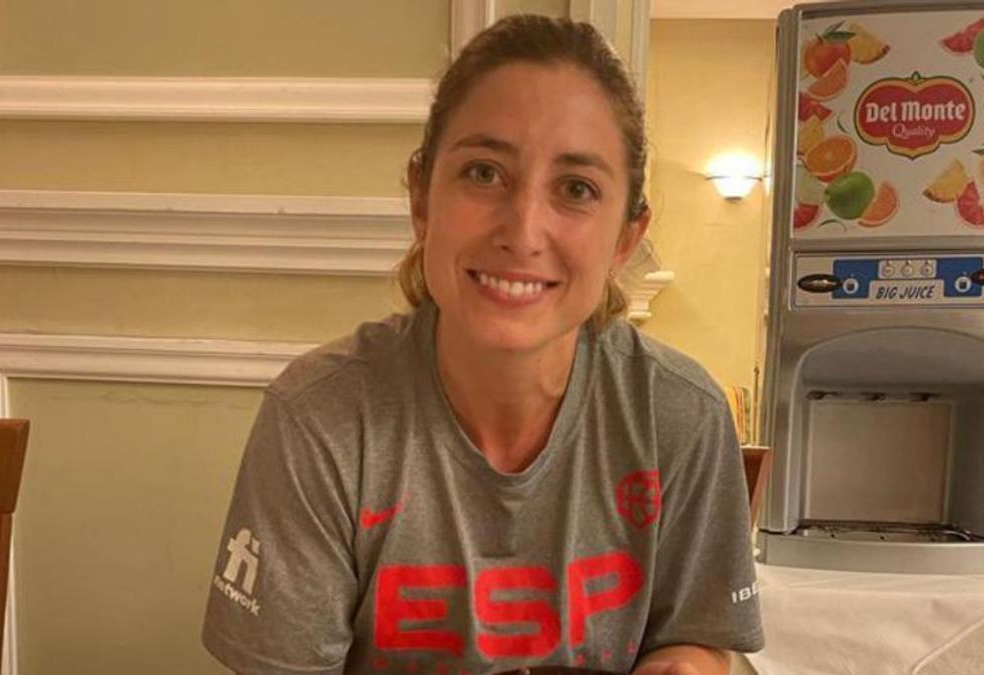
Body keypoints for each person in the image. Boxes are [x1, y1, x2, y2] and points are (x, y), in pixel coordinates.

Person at [202, 14, 762, 675]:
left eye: (576, 188)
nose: (523, 231)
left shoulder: (683, 414)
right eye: (484, 173)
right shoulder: (320, 417)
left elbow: (700, 638)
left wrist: (691, 664)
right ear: (422, 198)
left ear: (624, 239)